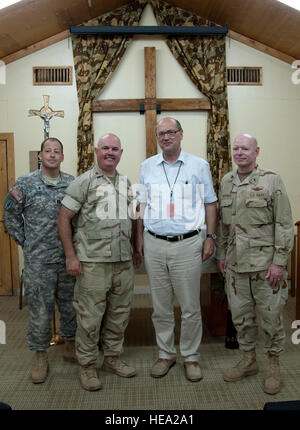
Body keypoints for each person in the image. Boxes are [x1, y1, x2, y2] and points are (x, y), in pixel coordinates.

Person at [136, 117, 217, 382]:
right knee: (160, 307)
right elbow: (140, 207)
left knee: (191, 306)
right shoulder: (147, 167)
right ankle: (166, 353)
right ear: (157, 137)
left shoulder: (199, 166)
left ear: (181, 134)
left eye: (171, 132)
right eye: (161, 133)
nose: (166, 137)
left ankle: (191, 357)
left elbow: (210, 203)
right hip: (155, 243)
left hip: (188, 243)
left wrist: (210, 237)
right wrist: (139, 238)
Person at [57, 133, 138, 391]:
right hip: (93, 264)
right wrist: (71, 256)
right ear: (96, 151)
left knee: (119, 316)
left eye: (115, 148)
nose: (110, 152)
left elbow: (135, 218)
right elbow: (63, 219)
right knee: (90, 319)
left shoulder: (126, 183)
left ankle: (112, 359)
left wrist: (136, 248)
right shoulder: (84, 182)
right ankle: (88, 366)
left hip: (122, 262)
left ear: (121, 153)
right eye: (105, 148)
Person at [216, 133, 294, 395]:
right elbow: (223, 225)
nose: (240, 153)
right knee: (241, 318)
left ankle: (273, 365)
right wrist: (221, 254)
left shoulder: (272, 180)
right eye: (236, 148)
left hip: (265, 267)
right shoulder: (226, 181)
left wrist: (279, 263)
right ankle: (249, 360)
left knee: (271, 319)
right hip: (237, 267)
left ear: (256, 151)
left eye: (245, 149)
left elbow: (284, 224)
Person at [3, 137, 77, 384]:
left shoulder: (71, 183)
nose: (52, 155)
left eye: (57, 151)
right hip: (39, 262)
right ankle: (40, 356)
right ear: (40, 156)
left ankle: (70, 345)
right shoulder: (25, 183)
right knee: (40, 311)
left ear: (62, 157)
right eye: (48, 151)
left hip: (67, 258)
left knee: (70, 306)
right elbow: (10, 216)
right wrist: (27, 242)